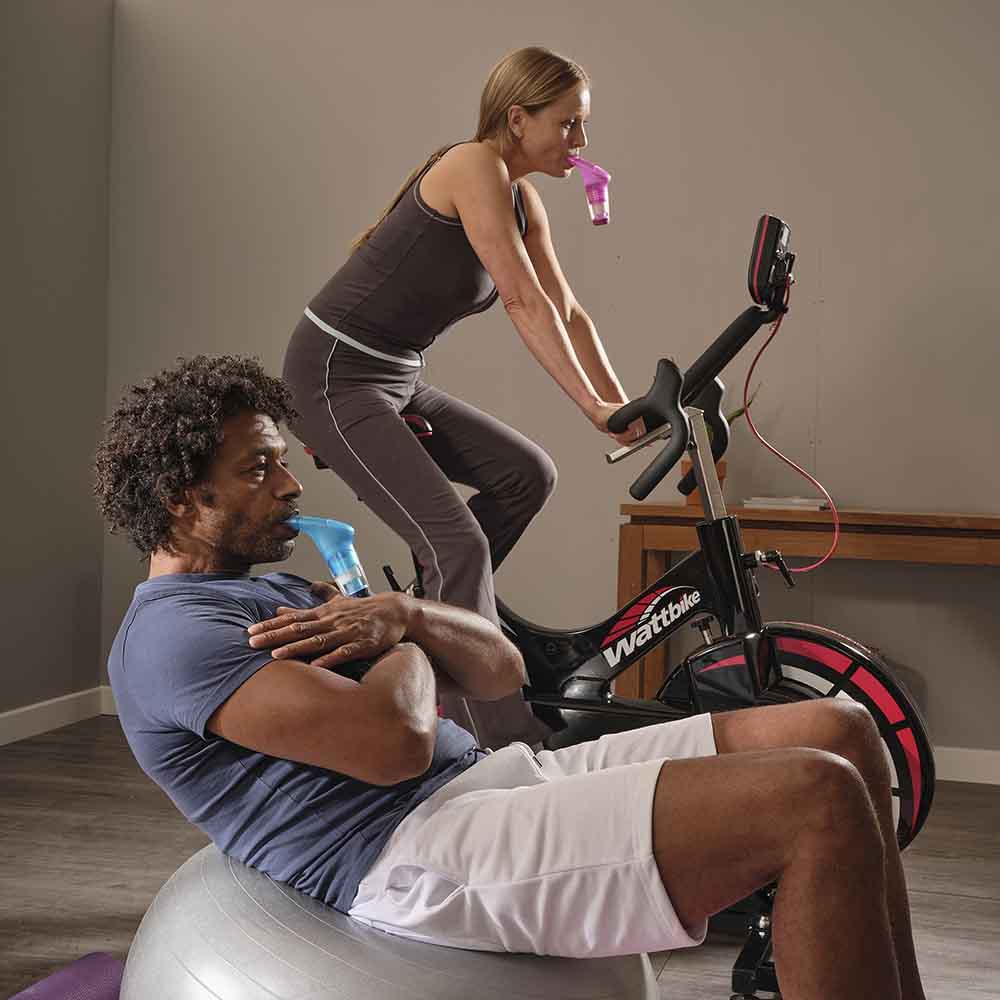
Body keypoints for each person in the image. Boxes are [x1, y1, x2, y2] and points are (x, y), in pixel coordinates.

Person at [97, 356, 926, 1000]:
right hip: (408, 853)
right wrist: (396, 632)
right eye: (259, 470)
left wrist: (406, 616)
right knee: (814, 798)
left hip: (493, 784)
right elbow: (393, 744)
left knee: (841, 729)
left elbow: (500, 669)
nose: (290, 484)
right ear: (181, 497)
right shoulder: (173, 637)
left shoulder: (265, 590)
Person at [282, 46, 643, 749]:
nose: (581, 142)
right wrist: (590, 409)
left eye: (583, 126)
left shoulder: (520, 194)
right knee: (457, 543)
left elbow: (566, 309)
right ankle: (505, 744)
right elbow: (521, 299)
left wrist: (620, 407)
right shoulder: (471, 166)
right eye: (568, 124)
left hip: (394, 374)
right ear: (518, 118)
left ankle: (430, 630)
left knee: (525, 476)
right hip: (333, 373)